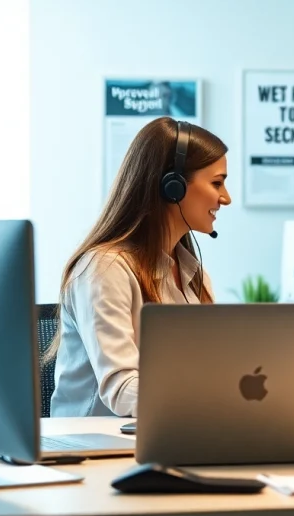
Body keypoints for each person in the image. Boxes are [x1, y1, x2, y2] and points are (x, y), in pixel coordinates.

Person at [47, 117, 231, 417]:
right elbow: (121, 389)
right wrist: (208, 400)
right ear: (173, 187)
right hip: (93, 440)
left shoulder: (194, 275)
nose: (226, 198)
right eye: (217, 183)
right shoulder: (103, 269)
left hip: (167, 430)